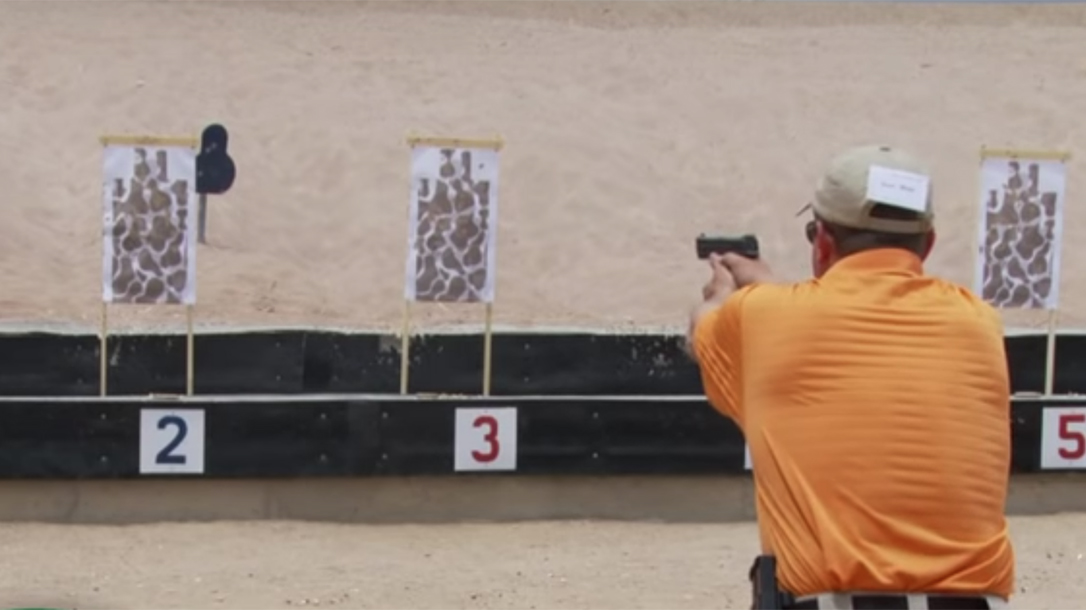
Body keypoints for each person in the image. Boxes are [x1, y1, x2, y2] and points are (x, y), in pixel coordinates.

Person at [685, 145, 1015, 610]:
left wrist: (726, 290)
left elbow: (705, 330)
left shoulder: (760, 316)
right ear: (930, 243)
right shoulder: (979, 322)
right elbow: (862, 340)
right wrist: (765, 294)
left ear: (821, 242)